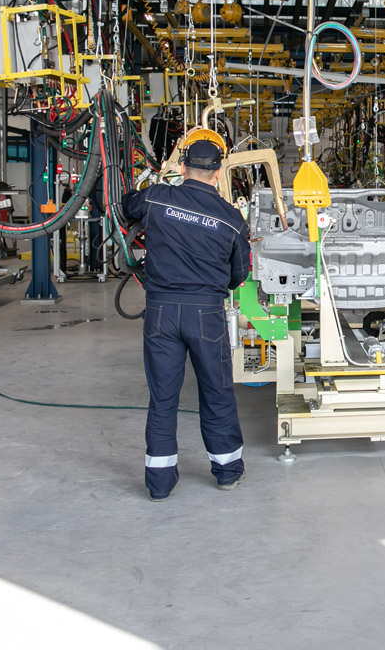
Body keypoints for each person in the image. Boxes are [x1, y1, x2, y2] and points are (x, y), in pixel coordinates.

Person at [122, 138, 250, 502]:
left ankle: (159, 484)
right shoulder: (231, 219)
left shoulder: (157, 198)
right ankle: (227, 472)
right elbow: (238, 274)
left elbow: (126, 205)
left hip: (161, 311)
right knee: (217, 393)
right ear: (219, 173)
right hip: (206, 313)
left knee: (163, 397)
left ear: (182, 168)